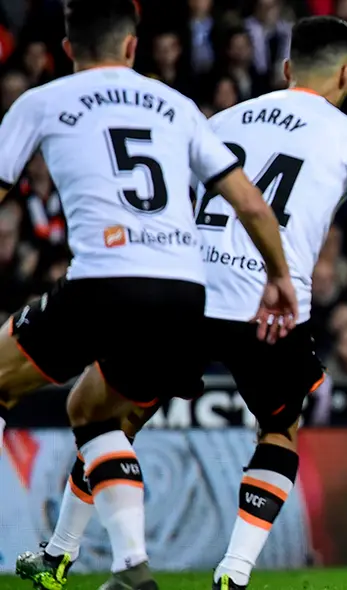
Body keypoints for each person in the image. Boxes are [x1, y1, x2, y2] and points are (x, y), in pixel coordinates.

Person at [14, 16, 347, 590]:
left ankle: (65, 553)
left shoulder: (225, 119)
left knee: (111, 417)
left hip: (184, 290)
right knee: (278, 430)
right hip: (269, 307)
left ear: (284, 68)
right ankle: (234, 571)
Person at [0, 2, 297, 589]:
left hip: (104, 280)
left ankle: (120, 560)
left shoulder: (42, 101)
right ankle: (132, 565)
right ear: (133, 48)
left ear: (67, 49)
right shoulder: (177, 106)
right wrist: (281, 276)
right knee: (91, 411)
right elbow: (252, 203)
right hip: (184, 294)